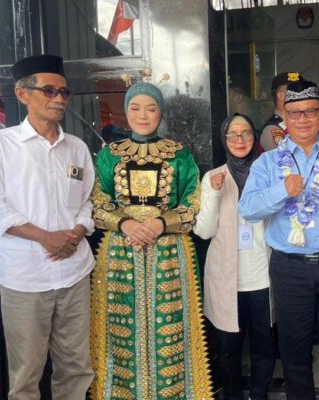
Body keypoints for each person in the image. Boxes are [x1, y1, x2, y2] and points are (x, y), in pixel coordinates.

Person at [239, 79, 319, 400]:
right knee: (295, 353)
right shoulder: (269, 163)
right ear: (284, 117)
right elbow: (248, 209)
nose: (302, 119)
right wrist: (281, 190)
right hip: (289, 269)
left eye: (310, 111)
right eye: (295, 113)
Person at [0, 54, 95, 400]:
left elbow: (87, 201)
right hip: (25, 277)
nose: (58, 98)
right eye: (48, 90)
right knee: (26, 373)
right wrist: (46, 238)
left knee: (76, 367)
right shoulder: (0, 145)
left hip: (74, 272)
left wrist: (74, 234)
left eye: (64, 92)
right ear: (22, 93)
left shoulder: (77, 148)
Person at [89, 82, 213, 399]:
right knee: (119, 334)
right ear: (126, 112)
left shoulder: (180, 156)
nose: (143, 115)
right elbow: (98, 204)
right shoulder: (109, 156)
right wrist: (126, 223)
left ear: (161, 112)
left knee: (171, 330)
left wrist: (160, 223)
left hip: (170, 252)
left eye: (151, 108)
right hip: (120, 252)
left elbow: (192, 204)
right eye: (135, 108)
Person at [194, 113, 275, 400]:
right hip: (226, 279)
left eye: (246, 134)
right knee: (228, 348)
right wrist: (214, 194)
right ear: (224, 140)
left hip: (263, 277)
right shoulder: (213, 177)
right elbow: (203, 231)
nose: (240, 140)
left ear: (255, 138)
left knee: (264, 347)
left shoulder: (268, 173)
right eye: (233, 135)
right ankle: (232, 395)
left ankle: (259, 394)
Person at [260, 71, 303, 151]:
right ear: (281, 96)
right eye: (296, 92)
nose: (302, 96)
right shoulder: (273, 130)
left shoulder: (297, 123)